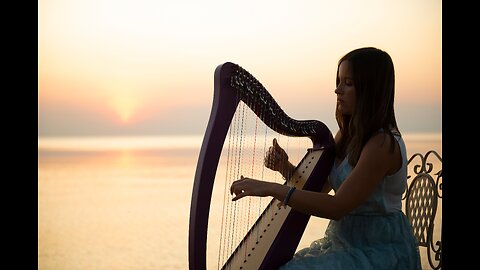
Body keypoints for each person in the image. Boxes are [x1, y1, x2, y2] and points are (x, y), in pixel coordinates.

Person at [230, 47, 421, 269]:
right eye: (339, 81)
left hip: (378, 250)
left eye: (348, 83)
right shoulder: (348, 135)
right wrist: (285, 168)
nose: (337, 90)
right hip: (344, 244)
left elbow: (337, 207)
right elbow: (319, 191)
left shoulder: (382, 144)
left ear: (370, 90)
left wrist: (272, 189)